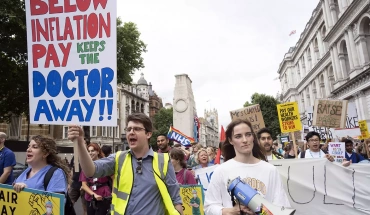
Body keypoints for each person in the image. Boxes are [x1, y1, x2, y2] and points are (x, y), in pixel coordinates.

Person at [68, 113, 183, 215]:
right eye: (129, 129)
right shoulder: (118, 158)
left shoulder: (163, 161)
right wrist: (80, 143)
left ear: (148, 134)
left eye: (137, 129)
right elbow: (90, 171)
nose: (131, 132)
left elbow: (175, 199)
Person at [204, 119, 291, 215]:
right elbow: (209, 207)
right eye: (238, 136)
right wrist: (230, 211)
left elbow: (282, 205)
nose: (245, 140)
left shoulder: (270, 170)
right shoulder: (221, 171)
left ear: (253, 137)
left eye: (248, 135)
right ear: (230, 140)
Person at [80, 143, 111, 215]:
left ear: (98, 151)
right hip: (90, 197)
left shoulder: (104, 164)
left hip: (103, 196)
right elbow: (84, 185)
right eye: (89, 151)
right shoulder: (85, 166)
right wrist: (93, 195)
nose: (90, 153)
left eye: (93, 151)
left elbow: (113, 178)